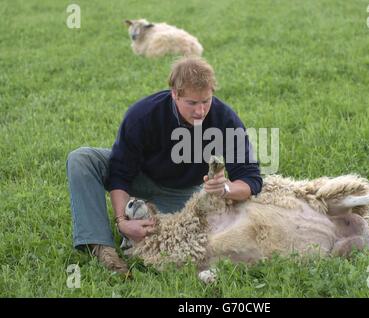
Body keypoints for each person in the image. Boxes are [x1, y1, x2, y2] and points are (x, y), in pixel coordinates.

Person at [66, 57, 262, 274]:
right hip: (139, 177)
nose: (200, 111)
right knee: (82, 159)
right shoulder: (143, 114)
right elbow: (120, 172)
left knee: (193, 235)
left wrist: (225, 189)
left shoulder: (225, 119)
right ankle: (102, 247)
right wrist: (121, 221)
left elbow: (251, 178)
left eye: (206, 101)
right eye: (192, 103)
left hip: (182, 193)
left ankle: (143, 214)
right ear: (175, 94)